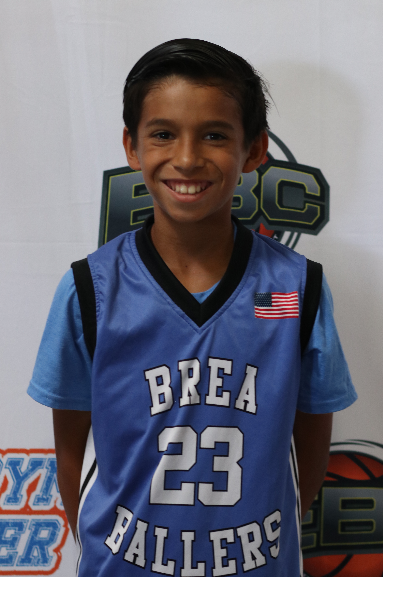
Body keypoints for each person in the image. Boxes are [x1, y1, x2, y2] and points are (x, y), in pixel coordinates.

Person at [28, 38, 357, 577]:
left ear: (253, 150)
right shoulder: (91, 288)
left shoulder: (298, 287)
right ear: (132, 147)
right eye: (163, 134)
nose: (186, 158)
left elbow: (312, 438)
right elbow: (72, 447)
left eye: (214, 135)